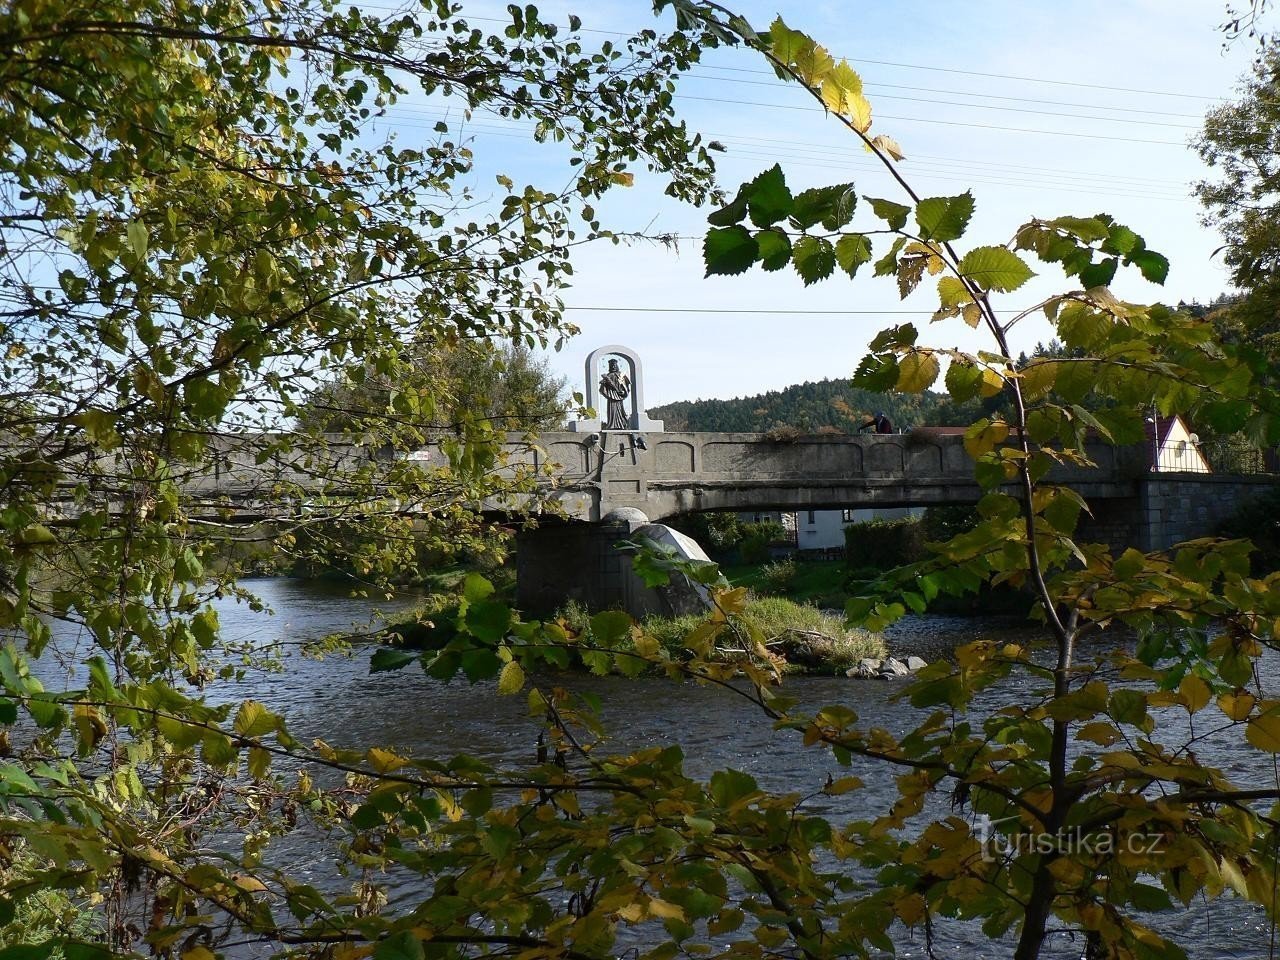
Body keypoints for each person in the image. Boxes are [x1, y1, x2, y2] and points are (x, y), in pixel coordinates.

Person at [599, 358, 631, 430]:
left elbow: (626, 385)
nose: (613, 367)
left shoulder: (621, 375)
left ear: (617, 365)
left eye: (614, 365)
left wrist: (624, 391)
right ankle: (612, 424)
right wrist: (603, 384)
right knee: (612, 411)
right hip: (611, 397)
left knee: (620, 411)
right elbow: (603, 388)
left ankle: (621, 424)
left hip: (619, 397)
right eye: (611, 366)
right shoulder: (608, 375)